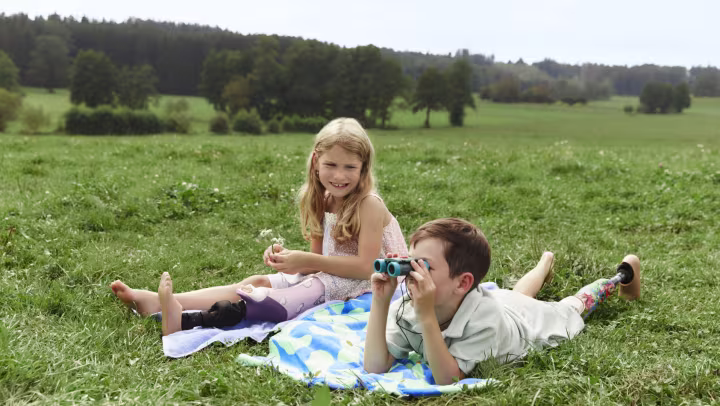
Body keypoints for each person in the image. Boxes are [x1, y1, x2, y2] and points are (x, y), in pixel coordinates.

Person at [110, 117, 408, 335]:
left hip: (373, 284)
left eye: (349, 167)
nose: (339, 175)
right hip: (330, 278)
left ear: (363, 168)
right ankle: (163, 303)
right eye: (331, 164)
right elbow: (315, 263)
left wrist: (307, 262)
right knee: (257, 282)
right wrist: (290, 262)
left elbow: (368, 267)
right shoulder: (320, 198)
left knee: (288, 294)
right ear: (316, 161)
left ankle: (189, 320)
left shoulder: (369, 204)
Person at [364, 218, 641, 385]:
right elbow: (375, 366)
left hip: (527, 323)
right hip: (504, 302)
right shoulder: (409, 309)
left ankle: (624, 274)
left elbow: (446, 379)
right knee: (518, 295)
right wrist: (381, 300)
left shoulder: (485, 321)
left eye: (425, 266)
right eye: (410, 262)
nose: (413, 273)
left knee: (572, 306)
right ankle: (544, 264)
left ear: (462, 283)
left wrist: (426, 317)